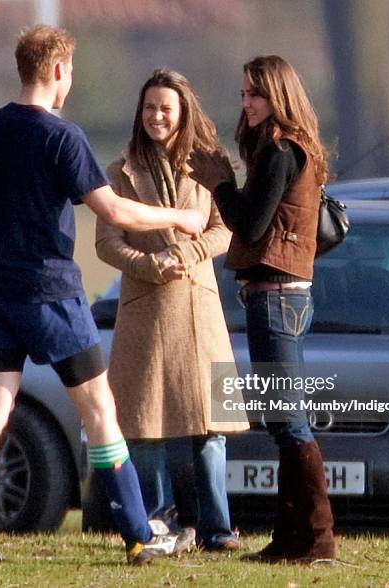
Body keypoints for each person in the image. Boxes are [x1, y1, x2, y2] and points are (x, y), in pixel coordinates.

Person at [0, 25, 207, 568]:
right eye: (71, 72)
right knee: (99, 410)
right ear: (58, 70)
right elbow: (114, 212)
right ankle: (138, 534)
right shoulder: (64, 137)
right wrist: (183, 217)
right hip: (53, 294)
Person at [189, 55, 336, 563]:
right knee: (282, 417)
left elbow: (249, 226)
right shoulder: (285, 147)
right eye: (244, 94)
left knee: (288, 420)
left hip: (276, 297)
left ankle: (313, 537)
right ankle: (293, 537)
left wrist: (220, 183)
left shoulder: (280, 151)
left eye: (255, 94)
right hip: (280, 295)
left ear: (279, 96)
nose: (247, 103)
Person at [95, 69, 248, 552]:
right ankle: (158, 524)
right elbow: (106, 242)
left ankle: (217, 531)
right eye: (149, 108)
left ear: (183, 112)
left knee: (210, 429)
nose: (156, 116)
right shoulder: (119, 170)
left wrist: (187, 254)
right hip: (145, 310)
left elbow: (226, 229)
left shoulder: (212, 164)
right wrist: (148, 265)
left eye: (165, 107)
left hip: (200, 310)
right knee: (144, 428)